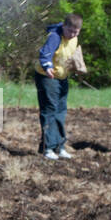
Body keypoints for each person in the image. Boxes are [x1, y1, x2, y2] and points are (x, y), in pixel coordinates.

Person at [34, 13, 82, 159]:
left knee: (61, 111)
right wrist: (47, 66)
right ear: (64, 26)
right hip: (47, 77)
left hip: (62, 78)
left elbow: (71, 55)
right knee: (49, 110)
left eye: (76, 32)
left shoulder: (74, 39)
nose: (72, 35)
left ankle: (59, 146)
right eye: (70, 31)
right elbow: (45, 54)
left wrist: (77, 65)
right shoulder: (55, 36)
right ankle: (47, 148)